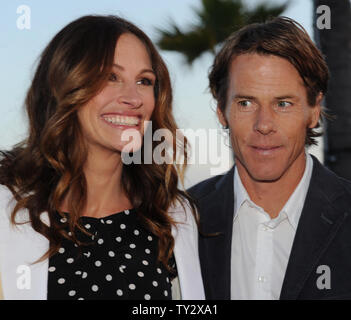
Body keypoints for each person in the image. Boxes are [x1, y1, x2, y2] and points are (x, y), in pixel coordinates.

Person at [0, 15, 204, 300]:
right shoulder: (7, 206)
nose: (133, 98)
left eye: (144, 81)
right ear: (65, 83)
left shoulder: (171, 217)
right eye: (111, 76)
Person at [189, 16, 351, 300]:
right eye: (246, 103)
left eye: (283, 103)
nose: (264, 124)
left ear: (314, 110)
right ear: (221, 111)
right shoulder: (181, 221)